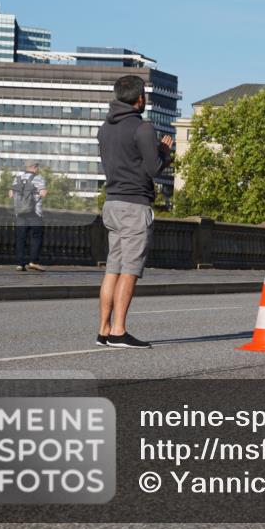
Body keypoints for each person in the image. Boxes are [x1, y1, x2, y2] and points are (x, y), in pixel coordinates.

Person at [96, 75, 173, 349]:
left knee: (112, 269)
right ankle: (119, 331)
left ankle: (103, 329)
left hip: (112, 202)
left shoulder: (104, 128)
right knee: (129, 270)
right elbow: (153, 169)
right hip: (134, 205)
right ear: (139, 98)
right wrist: (164, 151)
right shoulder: (142, 128)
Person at [10, 160, 48, 272]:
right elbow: (43, 193)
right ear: (34, 167)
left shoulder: (17, 178)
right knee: (36, 237)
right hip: (34, 212)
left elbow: (11, 194)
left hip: (20, 212)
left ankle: (20, 264)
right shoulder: (38, 178)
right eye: (37, 167)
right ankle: (33, 262)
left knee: (20, 238)